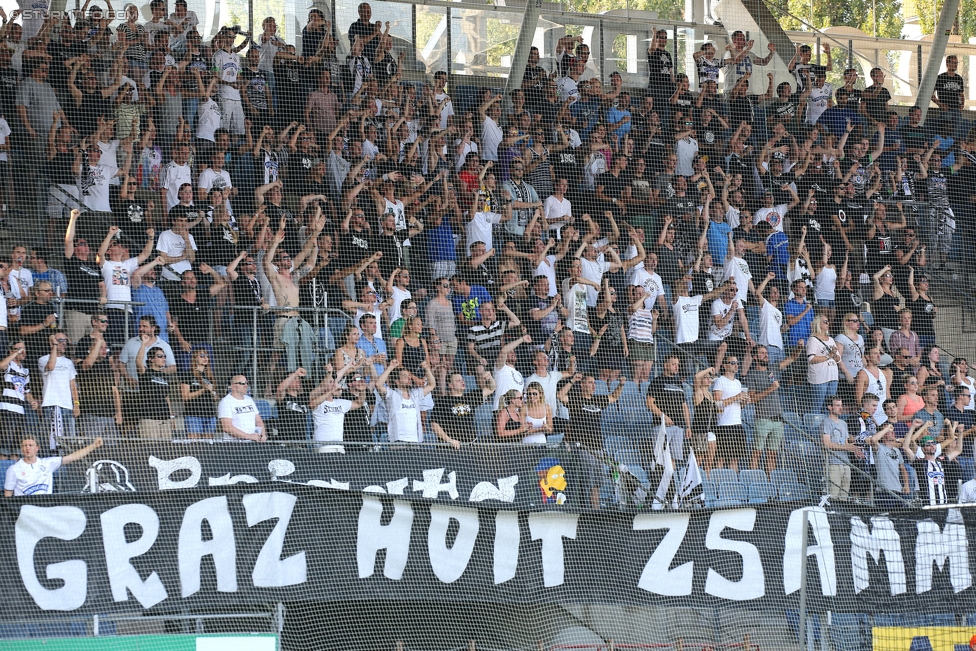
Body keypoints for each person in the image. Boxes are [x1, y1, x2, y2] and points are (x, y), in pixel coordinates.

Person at [558, 371, 627, 508]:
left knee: (597, 482)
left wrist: (621, 385)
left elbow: (613, 397)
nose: (593, 385)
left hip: (598, 448)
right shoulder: (576, 399)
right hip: (584, 448)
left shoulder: (598, 399)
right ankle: (585, 509)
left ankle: (595, 510)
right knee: (586, 482)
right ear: (582, 385)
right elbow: (560, 396)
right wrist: (572, 381)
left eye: (594, 383)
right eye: (590, 382)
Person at [4, 435, 103, 496]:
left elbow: (72, 457)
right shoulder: (14, 469)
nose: (27, 448)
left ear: (37, 448)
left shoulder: (47, 463)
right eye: (24, 445)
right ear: (21, 448)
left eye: (30, 445)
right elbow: (8, 494)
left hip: (45, 509)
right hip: (25, 511)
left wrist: (93, 445)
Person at [645, 355, 692, 464]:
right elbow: (649, 403)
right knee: (659, 457)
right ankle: (658, 479)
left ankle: (671, 480)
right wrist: (663, 417)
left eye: (678, 365)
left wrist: (688, 426)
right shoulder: (657, 381)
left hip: (678, 427)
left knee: (673, 459)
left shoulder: (679, 383)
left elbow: (684, 406)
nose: (677, 367)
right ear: (666, 365)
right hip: (662, 427)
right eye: (673, 364)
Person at [375, 359, 436, 443]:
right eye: (404, 376)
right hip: (398, 441)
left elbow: (432, 385)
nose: (409, 378)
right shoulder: (392, 395)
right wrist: (390, 367)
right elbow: (378, 384)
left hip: (415, 441)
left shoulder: (415, 394)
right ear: (397, 381)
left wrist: (427, 369)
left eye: (409, 376)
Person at [431, 370, 496, 448]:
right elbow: (434, 425)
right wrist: (449, 440)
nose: (462, 382)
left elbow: (491, 389)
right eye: (458, 380)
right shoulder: (442, 401)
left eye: (462, 380)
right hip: (449, 447)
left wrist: (490, 378)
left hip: (469, 445)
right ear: (451, 385)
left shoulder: (470, 397)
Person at [38, 331, 80, 447]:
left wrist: (76, 404)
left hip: (67, 406)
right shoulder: (43, 359)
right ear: (52, 343)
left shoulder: (69, 363)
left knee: (69, 440)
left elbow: (73, 385)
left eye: (65, 340)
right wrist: (55, 346)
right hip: (51, 404)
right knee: (53, 440)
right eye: (60, 341)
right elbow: (51, 367)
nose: (64, 344)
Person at [310, 367, 365, 453]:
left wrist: (363, 390)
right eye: (330, 382)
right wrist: (330, 391)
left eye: (334, 382)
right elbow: (311, 404)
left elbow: (359, 403)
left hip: (339, 446)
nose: (333, 384)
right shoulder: (318, 402)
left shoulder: (340, 402)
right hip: (324, 446)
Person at [0, 339, 39, 456]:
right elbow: (1, 365)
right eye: (20, 349)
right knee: (4, 448)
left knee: (16, 448)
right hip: (6, 409)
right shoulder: (9, 365)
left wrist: (33, 401)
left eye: (24, 349)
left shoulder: (25, 371)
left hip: (20, 412)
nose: (23, 352)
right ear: (11, 351)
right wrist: (15, 353)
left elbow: (26, 392)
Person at [712, 356, 750, 472]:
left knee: (735, 459)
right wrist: (735, 397)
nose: (736, 365)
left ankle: (734, 486)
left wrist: (744, 402)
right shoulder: (720, 381)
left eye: (737, 363)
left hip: (737, 425)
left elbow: (740, 406)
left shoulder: (738, 383)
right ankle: (718, 483)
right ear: (725, 365)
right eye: (733, 363)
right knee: (721, 458)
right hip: (724, 425)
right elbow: (717, 405)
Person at [821, 395, 862, 500]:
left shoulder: (844, 423)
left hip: (845, 463)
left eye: (841, 405)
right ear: (830, 407)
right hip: (833, 463)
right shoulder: (826, 422)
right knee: (833, 495)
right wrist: (846, 448)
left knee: (844, 496)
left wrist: (854, 450)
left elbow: (846, 443)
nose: (841, 408)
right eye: (837, 405)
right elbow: (827, 444)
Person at [865, 422, 911, 507]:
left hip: (898, 490)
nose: (892, 431)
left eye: (892, 430)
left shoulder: (897, 450)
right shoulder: (879, 448)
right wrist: (886, 428)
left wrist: (906, 484)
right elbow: (873, 440)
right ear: (883, 434)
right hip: (883, 490)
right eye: (889, 431)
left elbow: (903, 468)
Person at [135, 344, 174, 439]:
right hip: (149, 418)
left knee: (166, 448)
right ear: (151, 359)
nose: (163, 358)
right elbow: (138, 362)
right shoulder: (146, 373)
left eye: (164, 356)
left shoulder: (165, 375)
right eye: (160, 356)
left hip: (165, 418)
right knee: (151, 449)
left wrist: (171, 416)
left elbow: (166, 397)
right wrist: (143, 344)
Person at [180, 346, 219, 438]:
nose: (205, 358)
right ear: (195, 357)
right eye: (202, 355)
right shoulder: (188, 374)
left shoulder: (209, 375)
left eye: (206, 356)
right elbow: (185, 396)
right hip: (194, 414)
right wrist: (203, 390)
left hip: (210, 414)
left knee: (208, 445)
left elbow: (215, 398)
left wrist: (213, 393)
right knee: (195, 445)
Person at [219, 375, 267, 442]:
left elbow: (258, 420)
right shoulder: (226, 402)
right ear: (233, 386)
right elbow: (227, 427)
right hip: (234, 445)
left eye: (247, 383)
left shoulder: (249, 399)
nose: (246, 385)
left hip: (252, 443)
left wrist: (263, 434)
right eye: (242, 383)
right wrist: (249, 436)